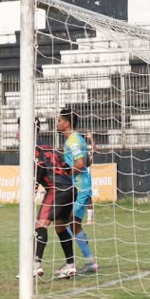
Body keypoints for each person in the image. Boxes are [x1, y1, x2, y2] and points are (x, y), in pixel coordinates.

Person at [57, 108, 98, 274]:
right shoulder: (77, 138)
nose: (57, 123)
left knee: (64, 223)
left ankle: (71, 262)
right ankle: (89, 261)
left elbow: (81, 164)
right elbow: (87, 161)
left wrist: (64, 173)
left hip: (79, 187)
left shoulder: (73, 140)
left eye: (59, 120)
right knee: (73, 224)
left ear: (67, 123)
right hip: (81, 186)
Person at [33, 139, 77, 279]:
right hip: (70, 188)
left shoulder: (34, 148)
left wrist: (34, 187)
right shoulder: (50, 147)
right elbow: (67, 168)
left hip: (56, 189)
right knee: (61, 227)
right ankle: (70, 265)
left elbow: (40, 165)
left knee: (40, 225)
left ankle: (36, 264)